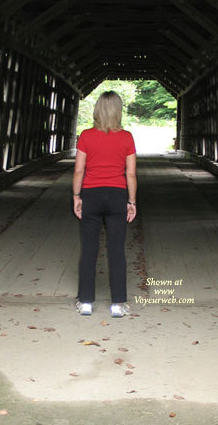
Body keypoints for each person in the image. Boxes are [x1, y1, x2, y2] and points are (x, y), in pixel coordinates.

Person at [72, 91, 137, 317]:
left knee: (89, 249)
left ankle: (86, 302)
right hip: (117, 195)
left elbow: (79, 169)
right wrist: (131, 201)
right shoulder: (127, 138)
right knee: (116, 250)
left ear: (97, 109)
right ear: (118, 111)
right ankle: (118, 304)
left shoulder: (86, 136)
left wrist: (76, 196)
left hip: (91, 194)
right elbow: (130, 174)